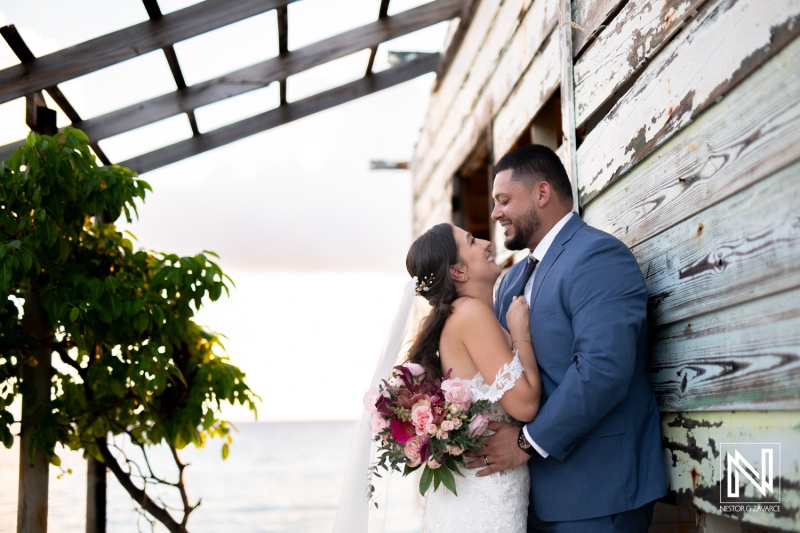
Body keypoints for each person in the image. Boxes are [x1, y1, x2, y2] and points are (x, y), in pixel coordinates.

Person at [464, 144, 666, 532]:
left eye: (504, 200)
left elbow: (603, 369)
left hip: (596, 490)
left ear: (542, 193)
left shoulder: (598, 256)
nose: (494, 214)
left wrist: (526, 443)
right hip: (529, 496)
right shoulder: (510, 281)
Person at [405, 222, 543, 533]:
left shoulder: (460, 315)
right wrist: (521, 334)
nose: (484, 242)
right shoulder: (470, 314)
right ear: (458, 272)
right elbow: (526, 405)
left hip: (480, 492)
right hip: (485, 498)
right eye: (471, 241)